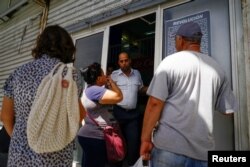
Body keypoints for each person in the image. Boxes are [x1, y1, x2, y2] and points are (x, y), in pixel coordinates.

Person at [140, 21, 238, 167]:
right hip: (203, 153)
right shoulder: (217, 68)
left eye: (175, 40)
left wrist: (146, 140)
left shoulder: (169, 63)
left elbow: (155, 103)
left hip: (169, 149)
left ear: (180, 39)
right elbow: (228, 111)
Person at [1, 25, 85, 167]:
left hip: (20, 153)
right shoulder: (70, 75)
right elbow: (79, 115)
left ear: (40, 45)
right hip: (57, 152)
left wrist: (22, 139)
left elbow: (5, 116)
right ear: (67, 47)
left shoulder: (18, 73)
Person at [77, 62, 123, 167]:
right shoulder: (95, 91)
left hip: (89, 135)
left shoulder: (89, 89)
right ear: (98, 79)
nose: (105, 75)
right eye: (103, 74)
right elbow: (119, 97)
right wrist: (112, 82)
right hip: (95, 136)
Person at [111, 52, 148, 166]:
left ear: (130, 60)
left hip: (133, 116)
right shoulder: (114, 75)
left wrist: (152, 89)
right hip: (119, 114)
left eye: (126, 60)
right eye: (121, 61)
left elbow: (140, 89)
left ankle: (130, 164)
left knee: (133, 144)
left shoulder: (137, 74)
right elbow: (109, 92)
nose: (124, 63)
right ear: (119, 62)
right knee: (117, 144)